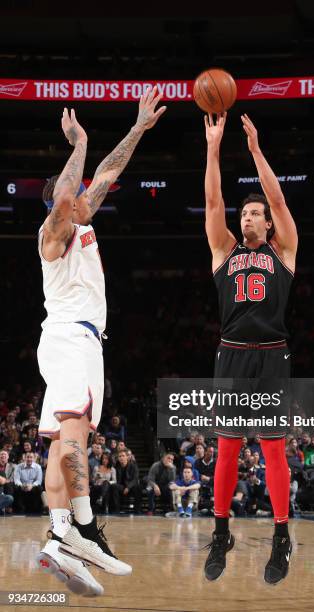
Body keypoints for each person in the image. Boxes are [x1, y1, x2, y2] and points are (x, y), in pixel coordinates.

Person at [36, 89, 166, 595]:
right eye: (74, 196)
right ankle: (85, 528)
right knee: (76, 435)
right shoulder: (53, 234)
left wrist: (137, 129)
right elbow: (72, 191)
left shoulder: (83, 225)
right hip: (73, 340)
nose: (87, 195)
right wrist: (79, 144)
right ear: (60, 204)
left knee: (58, 446)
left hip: (72, 341)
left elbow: (108, 174)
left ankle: (60, 536)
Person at [202, 112, 297, 584]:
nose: (248, 217)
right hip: (233, 353)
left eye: (255, 213)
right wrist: (214, 148)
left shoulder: (285, 250)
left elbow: (277, 196)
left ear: (268, 222)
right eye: (245, 213)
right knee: (227, 450)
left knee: (275, 450)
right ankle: (222, 532)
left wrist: (256, 150)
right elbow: (213, 198)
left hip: (272, 353)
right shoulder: (225, 251)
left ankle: (282, 536)